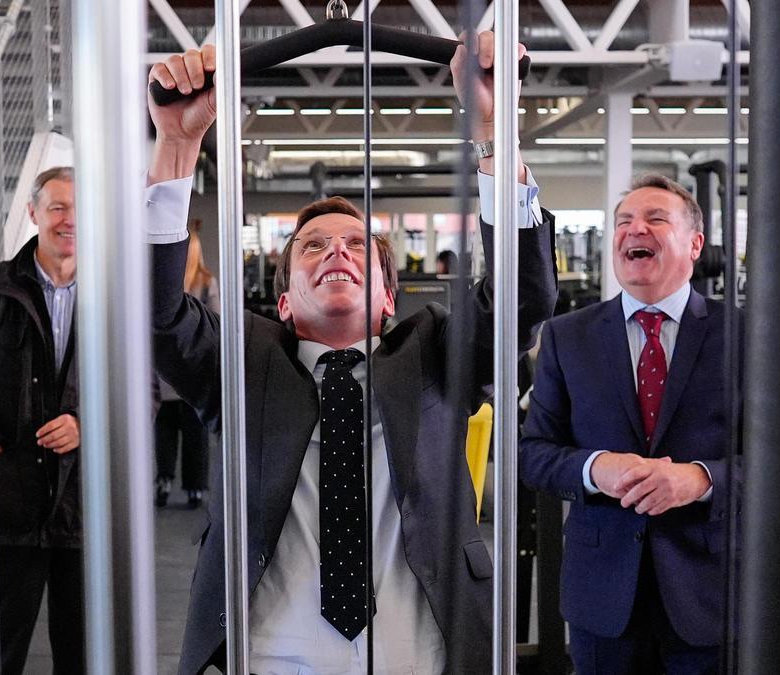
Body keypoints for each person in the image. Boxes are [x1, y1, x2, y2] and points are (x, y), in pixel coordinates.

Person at [145, 32, 557, 675]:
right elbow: (155, 314)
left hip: (423, 655)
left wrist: (491, 130)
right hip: (270, 656)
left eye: (358, 244)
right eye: (312, 246)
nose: (337, 250)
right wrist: (176, 146)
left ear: (390, 298)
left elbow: (523, 297)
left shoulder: (434, 353)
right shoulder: (242, 365)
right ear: (284, 303)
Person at [519, 174, 740, 674]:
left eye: (656, 219)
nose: (635, 229)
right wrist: (595, 468)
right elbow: (533, 454)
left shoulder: (745, 335)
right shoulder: (567, 337)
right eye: (624, 221)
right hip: (602, 598)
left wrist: (700, 479)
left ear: (695, 244)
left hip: (711, 596)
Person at [0, 166, 84, 674]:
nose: (70, 219)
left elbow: (144, 386)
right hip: (11, 501)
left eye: (79, 208)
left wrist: (86, 425)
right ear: (33, 213)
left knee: (84, 652)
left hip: (84, 503)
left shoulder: (116, 292)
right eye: (58, 207)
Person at [155, 226, 219, 508]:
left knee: (167, 431)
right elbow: (216, 322)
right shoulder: (206, 282)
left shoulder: (161, 284)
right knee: (193, 434)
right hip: (194, 371)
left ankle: (166, 480)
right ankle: (193, 487)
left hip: (167, 371)